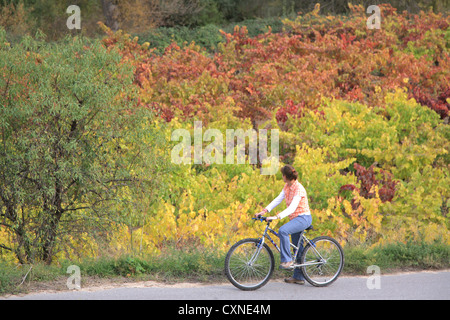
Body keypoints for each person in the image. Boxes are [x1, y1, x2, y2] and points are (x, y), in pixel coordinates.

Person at [255, 164, 312, 285]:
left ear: (285, 176)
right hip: (295, 219)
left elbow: (292, 208)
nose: (282, 177)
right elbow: (278, 199)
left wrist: (277, 217)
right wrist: (264, 211)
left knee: (283, 231)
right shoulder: (287, 186)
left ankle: (287, 261)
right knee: (298, 247)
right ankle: (299, 277)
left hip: (303, 218)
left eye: (282, 175)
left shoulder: (299, 189)